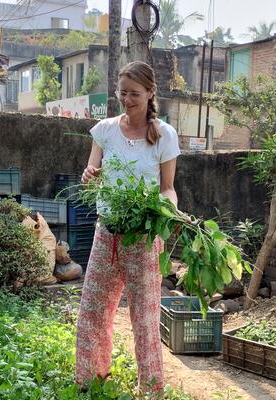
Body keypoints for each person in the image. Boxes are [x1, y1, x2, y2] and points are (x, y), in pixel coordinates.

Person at [75, 61, 180, 396]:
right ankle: (90, 381)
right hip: (107, 234)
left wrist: (169, 210)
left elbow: (167, 188)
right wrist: (89, 176)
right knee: (93, 311)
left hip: (144, 237)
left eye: (134, 93)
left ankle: (151, 389)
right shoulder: (104, 130)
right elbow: (91, 175)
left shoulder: (165, 135)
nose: (127, 99)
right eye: (122, 93)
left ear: (150, 93)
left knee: (145, 319)